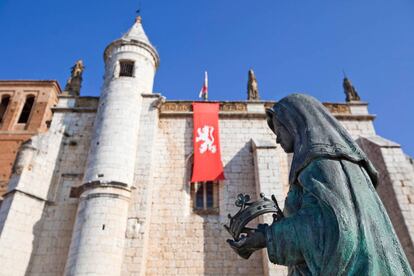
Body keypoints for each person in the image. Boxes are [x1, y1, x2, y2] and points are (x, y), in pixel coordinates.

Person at [227, 94, 413, 275]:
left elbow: (334, 227)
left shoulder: (321, 163)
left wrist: (267, 236)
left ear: (293, 124)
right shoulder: (335, 161)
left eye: (278, 130)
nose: (277, 139)